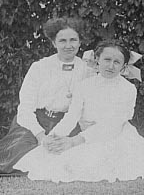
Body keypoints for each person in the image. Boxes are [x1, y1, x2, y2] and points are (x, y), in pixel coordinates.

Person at [14, 39, 144, 182]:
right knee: (52, 156)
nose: (111, 66)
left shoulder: (127, 89)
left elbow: (113, 125)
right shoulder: (84, 86)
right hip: (85, 136)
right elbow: (71, 117)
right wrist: (54, 137)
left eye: (117, 62)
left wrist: (75, 141)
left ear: (124, 66)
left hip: (116, 136)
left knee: (95, 163)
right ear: (97, 59)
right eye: (107, 59)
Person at [0, 17, 95, 174]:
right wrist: (41, 136)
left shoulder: (88, 70)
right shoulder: (39, 68)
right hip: (35, 123)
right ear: (53, 43)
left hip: (68, 124)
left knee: (70, 154)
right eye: (62, 40)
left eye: (73, 40)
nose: (68, 45)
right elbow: (25, 109)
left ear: (80, 42)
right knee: (21, 154)